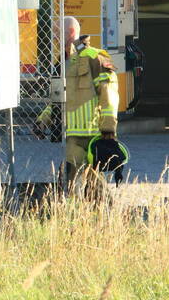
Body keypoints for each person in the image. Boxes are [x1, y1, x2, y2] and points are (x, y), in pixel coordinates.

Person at [35, 16, 119, 193]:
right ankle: (74, 212)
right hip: (72, 134)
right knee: (68, 181)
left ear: (71, 32)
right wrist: (43, 120)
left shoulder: (95, 57)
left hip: (94, 134)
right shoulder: (63, 62)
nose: (54, 37)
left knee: (93, 183)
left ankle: (101, 213)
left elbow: (109, 94)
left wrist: (108, 129)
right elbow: (58, 99)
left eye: (57, 32)